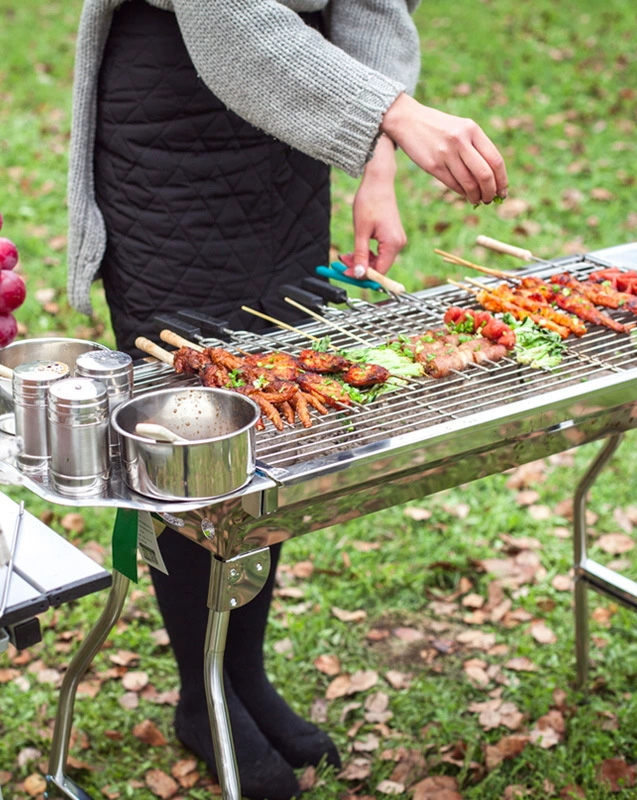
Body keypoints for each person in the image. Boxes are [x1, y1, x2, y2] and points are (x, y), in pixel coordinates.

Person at [66, 1, 507, 798]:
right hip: (169, 120)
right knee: (192, 433)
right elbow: (223, 16)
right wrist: (395, 114)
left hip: (297, 122)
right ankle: (203, 697)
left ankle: (243, 676)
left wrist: (377, 159)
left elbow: (372, 7)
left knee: (271, 426)